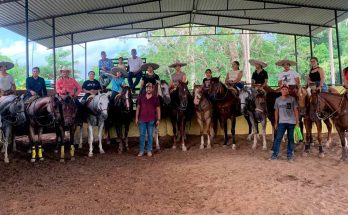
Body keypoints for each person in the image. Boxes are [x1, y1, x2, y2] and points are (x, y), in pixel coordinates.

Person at [271, 84, 299, 161]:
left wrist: (297, 122)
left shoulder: (292, 99)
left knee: (290, 139)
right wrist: (276, 122)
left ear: (288, 91)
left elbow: (295, 110)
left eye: (286, 89)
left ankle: (289, 155)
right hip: (282, 122)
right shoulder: (277, 100)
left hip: (291, 122)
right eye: (283, 89)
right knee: (278, 139)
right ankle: (274, 155)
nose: (284, 91)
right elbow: (276, 111)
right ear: (280, 91)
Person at [135, 82, 161, 157]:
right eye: (147, 87)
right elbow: (138, 108)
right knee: (142, 135)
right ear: (145, 88)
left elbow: (158, 109)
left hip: (151, 120)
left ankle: (149, 150)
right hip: (142, 120)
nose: (148, 89)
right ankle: (141, 151)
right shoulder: (141, 97)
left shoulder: (155, 98)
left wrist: (158, 119)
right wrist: (136, 118)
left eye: (150, 87)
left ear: (152, 89)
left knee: (150, 135)